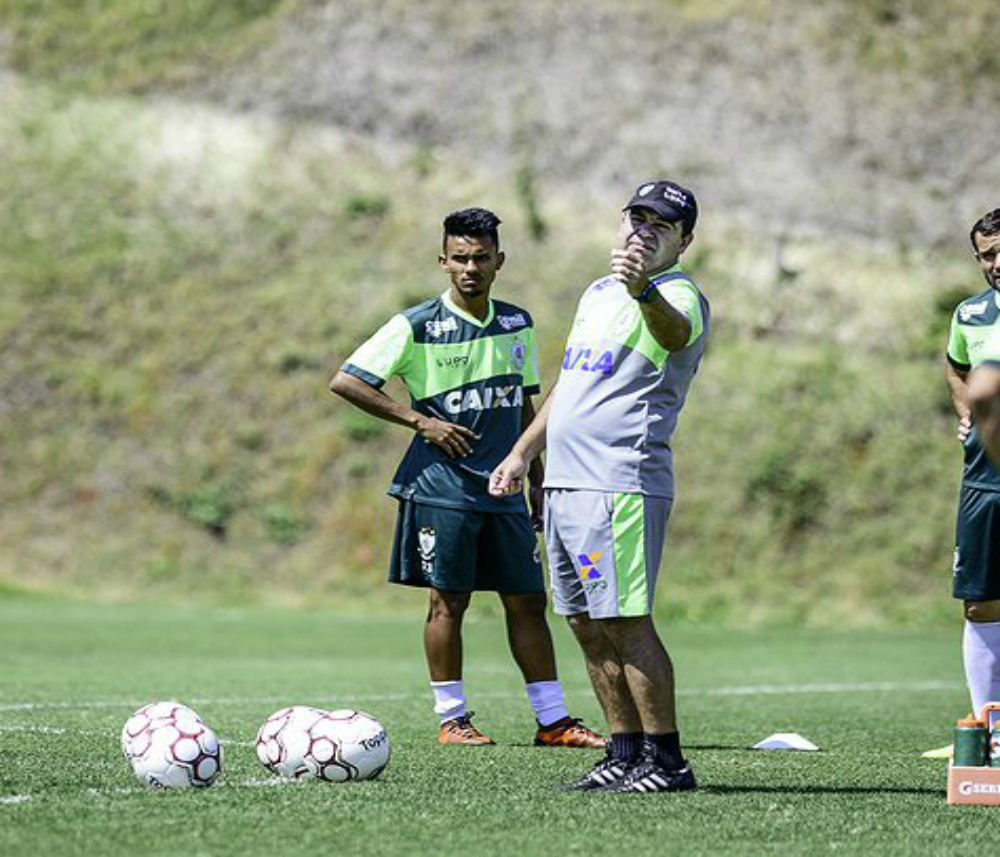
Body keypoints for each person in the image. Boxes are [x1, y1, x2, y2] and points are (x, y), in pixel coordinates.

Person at [330, 207, 604, 749]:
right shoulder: (416, 325)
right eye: (460, 258)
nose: (470, 268)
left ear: (500, 260)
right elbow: (346, 381)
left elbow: (522, 404)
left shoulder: (516, 323)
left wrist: (536, 475)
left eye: (481, 258)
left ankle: (553, 722)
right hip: (443, 488)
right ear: (443, 262)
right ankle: (452, 720)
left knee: (527, 601)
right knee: (448, 603)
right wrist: (420, 421)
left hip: (503, 487)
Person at [490, 180, 709, 792]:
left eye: (661, 225)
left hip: (619, 484)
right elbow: (571, 383)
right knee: (585, 623)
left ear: (684, 241)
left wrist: (642, 290)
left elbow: (673, 335)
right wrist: (523, 452)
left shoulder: (679, 295)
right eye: (637, 218)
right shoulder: (597, 292)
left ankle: (667, 762)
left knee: (626, 621)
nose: (644, 231)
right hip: (564, 482)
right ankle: (624, 752)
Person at [945, 207, 1000, 720]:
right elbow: (957, 367)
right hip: (985, 480)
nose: (997, 264)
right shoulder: (970, 314)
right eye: (988, 255)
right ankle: (988, 726)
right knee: (981, 601)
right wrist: (968, 415)